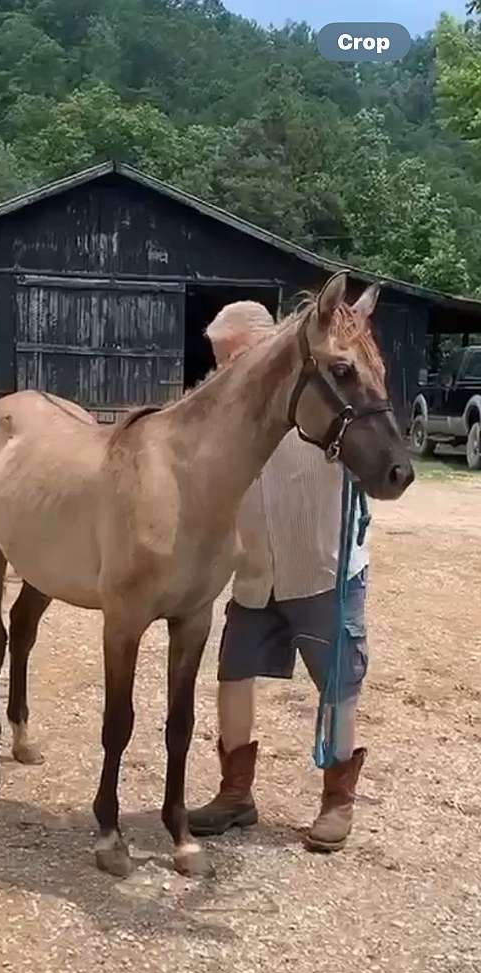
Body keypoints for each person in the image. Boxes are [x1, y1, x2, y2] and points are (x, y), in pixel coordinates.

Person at [188, 300, 369, 851]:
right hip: (255, 575)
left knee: (337, 685)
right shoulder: (224, 417)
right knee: (233, 675)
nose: (223, 372)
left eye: (231, 358)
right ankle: (236, 794)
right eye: (218, 362)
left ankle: (337, 801)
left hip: (321, 571)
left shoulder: (318, 402)